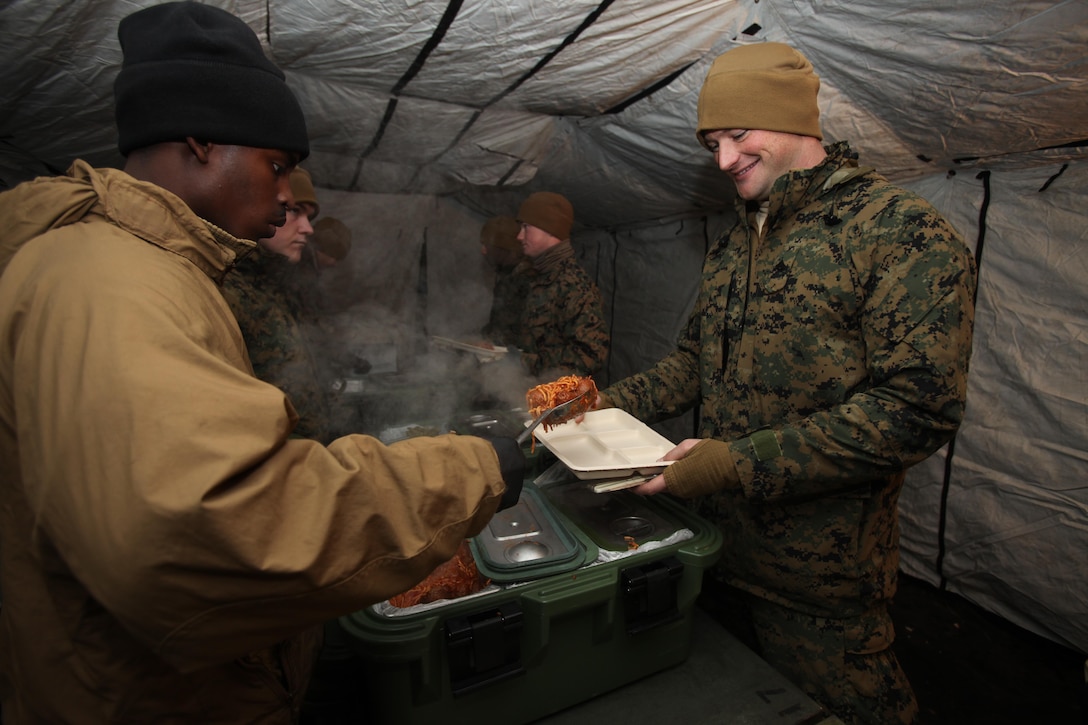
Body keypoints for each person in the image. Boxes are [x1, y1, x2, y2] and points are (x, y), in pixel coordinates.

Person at [0, 3, 522, 723]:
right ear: (201, 143)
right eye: (277, 166)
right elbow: (218, 525)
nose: (286, 197)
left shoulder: (146, 267)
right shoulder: (112, 283)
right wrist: (475, 467)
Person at [594, 42, 976, 725]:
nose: (723, 160)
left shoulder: (899, 232)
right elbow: (693, 362)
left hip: (819, 579)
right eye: (713, 141)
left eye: (739, 135)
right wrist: (597, 405)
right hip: (718, 552)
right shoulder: (737, 243)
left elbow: (916, 410)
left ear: (799, 120)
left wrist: (734, 464)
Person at [221, 166, 331, 442]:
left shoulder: (278, 283)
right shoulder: (224, 290)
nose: (307, 229)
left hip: (305, 460)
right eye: (293, 211)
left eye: (309, 216)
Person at [514, 191, 609, 378]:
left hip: (555, 402)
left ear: (549, 228)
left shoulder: (574, 285)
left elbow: (590, 355)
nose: (519, 236)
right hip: (528, 393)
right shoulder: (539, 276)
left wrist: (526, 362)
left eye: (526, 227)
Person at [478, 215, 529, 347]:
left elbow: (527, 334)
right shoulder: (508, 278)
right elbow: (499, 324)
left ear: (502, 248)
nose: (483, 251)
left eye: (486, 245)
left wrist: (491, 340)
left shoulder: (527, 280)